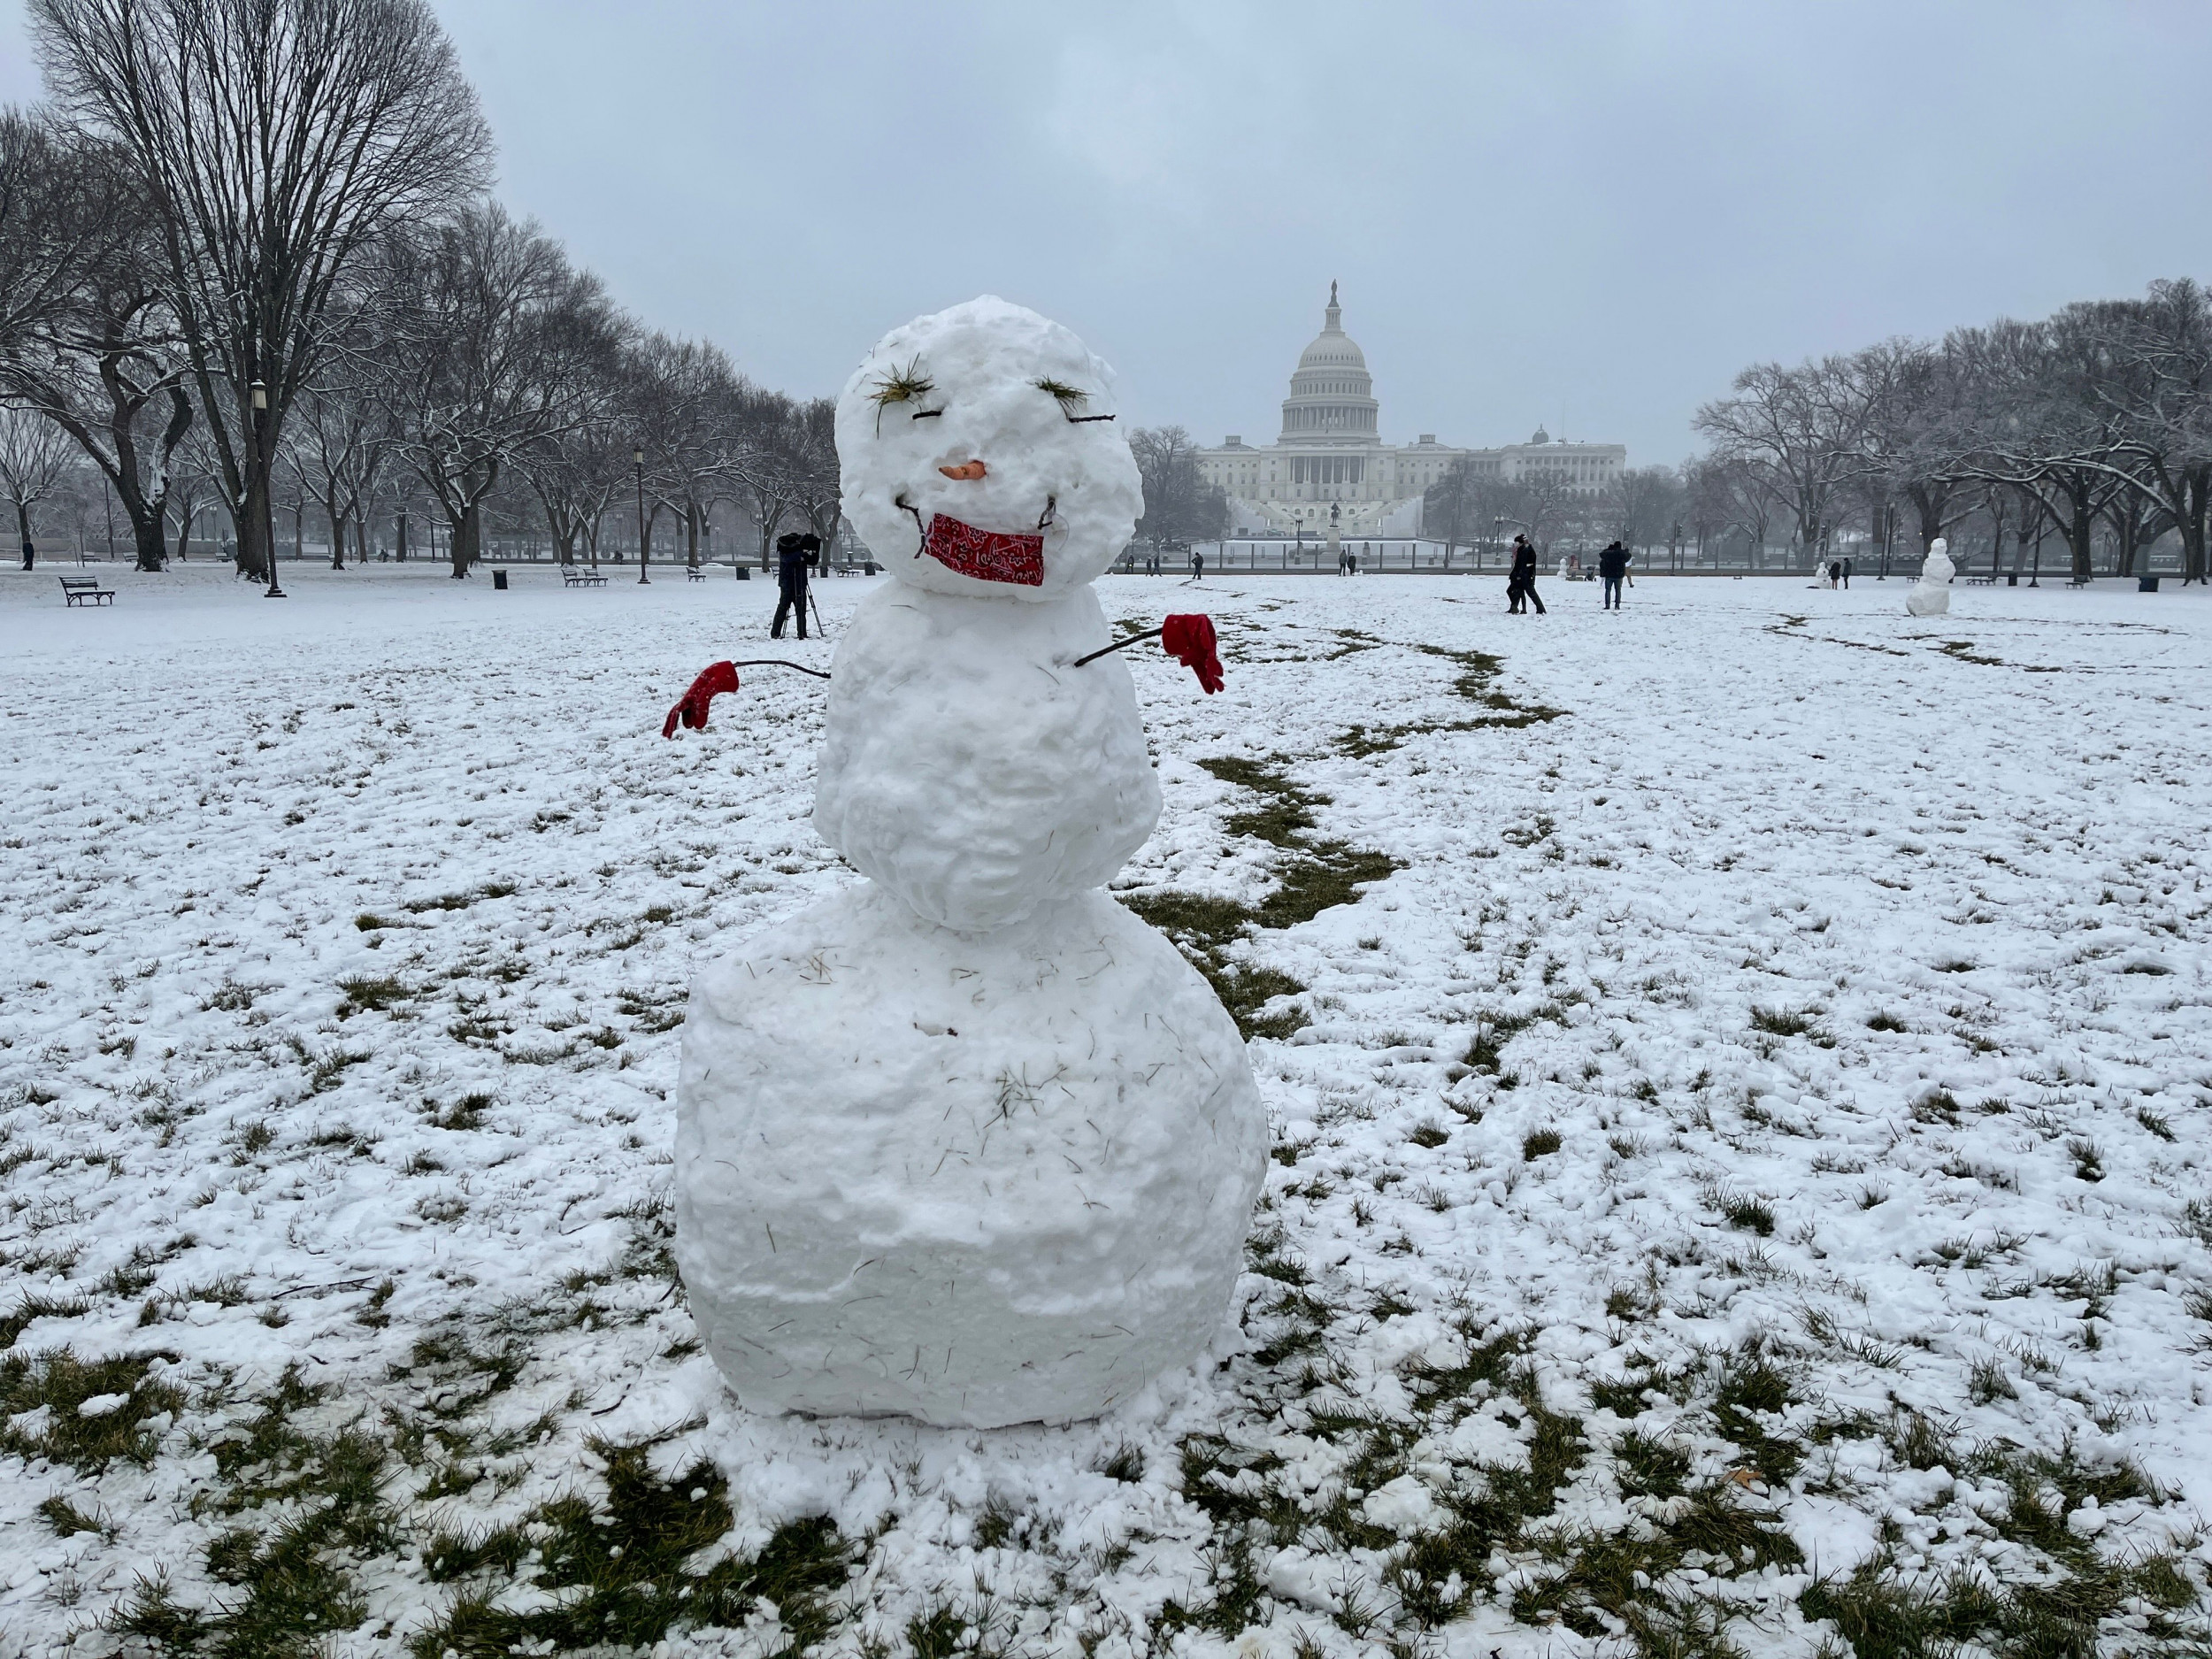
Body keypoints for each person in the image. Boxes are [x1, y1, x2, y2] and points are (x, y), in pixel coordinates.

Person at [771, 530, 818, 639]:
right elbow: (788, 559)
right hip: (789, 584)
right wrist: (801, 554)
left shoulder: (797, 553)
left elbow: (813, 561)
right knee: (784, 608)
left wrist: (815, 550)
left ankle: (801, 632)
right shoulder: (786, 550)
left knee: (800, 609)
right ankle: (776, 633)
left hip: (798, 583)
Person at [1508, 533, 1545, 614]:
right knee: (1518, 592)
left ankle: (1540, 609)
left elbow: (1524, 565)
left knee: (1530, 593)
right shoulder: (1524, 549)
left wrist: (1520, 574)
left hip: (1526, 576)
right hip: (1523, 576)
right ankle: (1515, 608)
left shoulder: (1526, 550)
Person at [1599, 539, 1630, 610]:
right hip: (1619, 575)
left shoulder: (1609, 553)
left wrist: (1609, 549)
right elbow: (1628, 556)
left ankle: (1607, 605)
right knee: (1618, 590)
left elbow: (1602, 554)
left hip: (1609, 574)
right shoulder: (1622, 554)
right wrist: (1626, 551)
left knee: (1608, 590)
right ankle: (1617, 605)